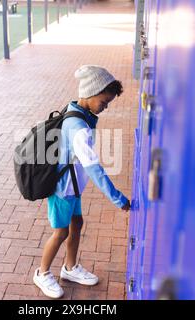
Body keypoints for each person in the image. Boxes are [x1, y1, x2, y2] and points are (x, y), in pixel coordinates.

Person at [33, 65, 131, 299]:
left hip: (73, 187)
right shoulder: (78, 127)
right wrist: (117, 198)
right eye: (104, 102)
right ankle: (42, 272)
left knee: (77, 224)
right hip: (62, 190)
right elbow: (94, 168)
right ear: (90, 93)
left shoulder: (78, 110)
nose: (105, 108)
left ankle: (70, 268)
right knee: (60, 232)